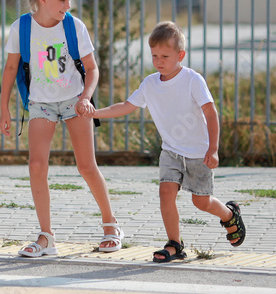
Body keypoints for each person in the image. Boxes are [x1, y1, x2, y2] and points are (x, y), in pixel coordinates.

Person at [82, 20, 245, 262]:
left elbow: (211, 113)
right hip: (170, 151)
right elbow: (127, 106)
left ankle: (229, 215)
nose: (159, 61)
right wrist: (96, 112)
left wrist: (214, 148)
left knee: (201, 201)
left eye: (165, 56)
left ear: (181, 55)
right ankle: (174, 244)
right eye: (154, 55)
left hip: (198, 152)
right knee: (165, 192)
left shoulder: (192, 80)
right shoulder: (150, 83)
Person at [0, 0, 122, 257]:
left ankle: (111, 226)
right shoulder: (22, 28)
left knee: (86, 166)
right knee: (37, 167)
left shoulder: (74, 26)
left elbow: (91, 69)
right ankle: (46, 236)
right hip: (40, 103)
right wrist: (4, 108)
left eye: (70, 1)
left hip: (74, 101)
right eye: (63, 0)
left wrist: (86, 97)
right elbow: (10, 68)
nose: (68, 6)